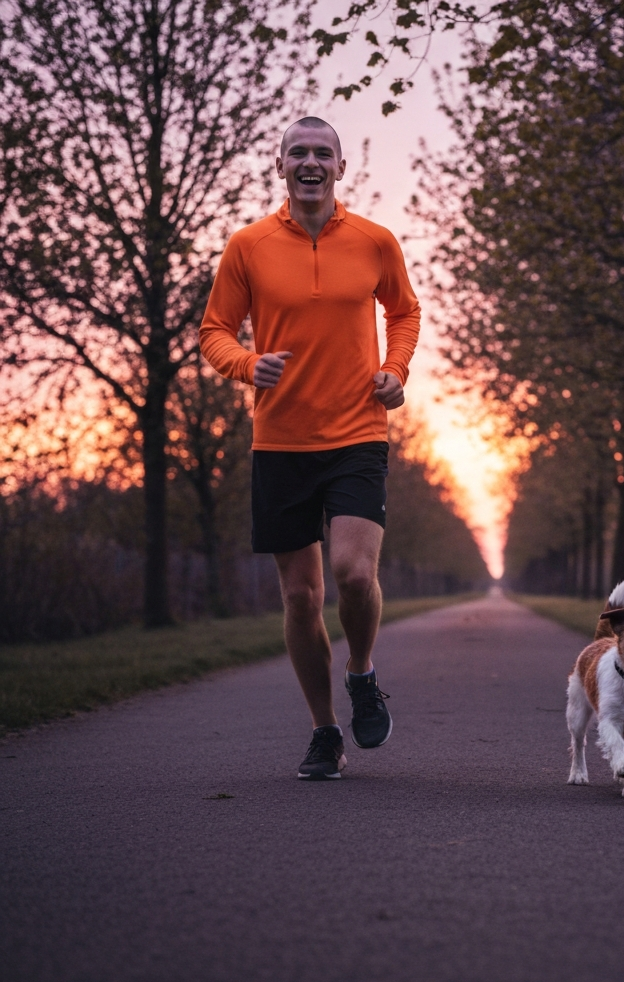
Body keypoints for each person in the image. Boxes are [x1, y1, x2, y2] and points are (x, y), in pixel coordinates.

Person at [200, 116, 420, 779]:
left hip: (358, 432)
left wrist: (396, 371)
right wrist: (245, 363)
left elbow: (404, 312)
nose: (310, 162)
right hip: (281, 441)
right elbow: (214, 330)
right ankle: (326, 731)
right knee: (300, 596)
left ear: (341, 167)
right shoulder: (249, 245)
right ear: (280, 165)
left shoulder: (375, 241)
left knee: (354, 574)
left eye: (323, 152)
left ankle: (361, 673)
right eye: (299, 152)